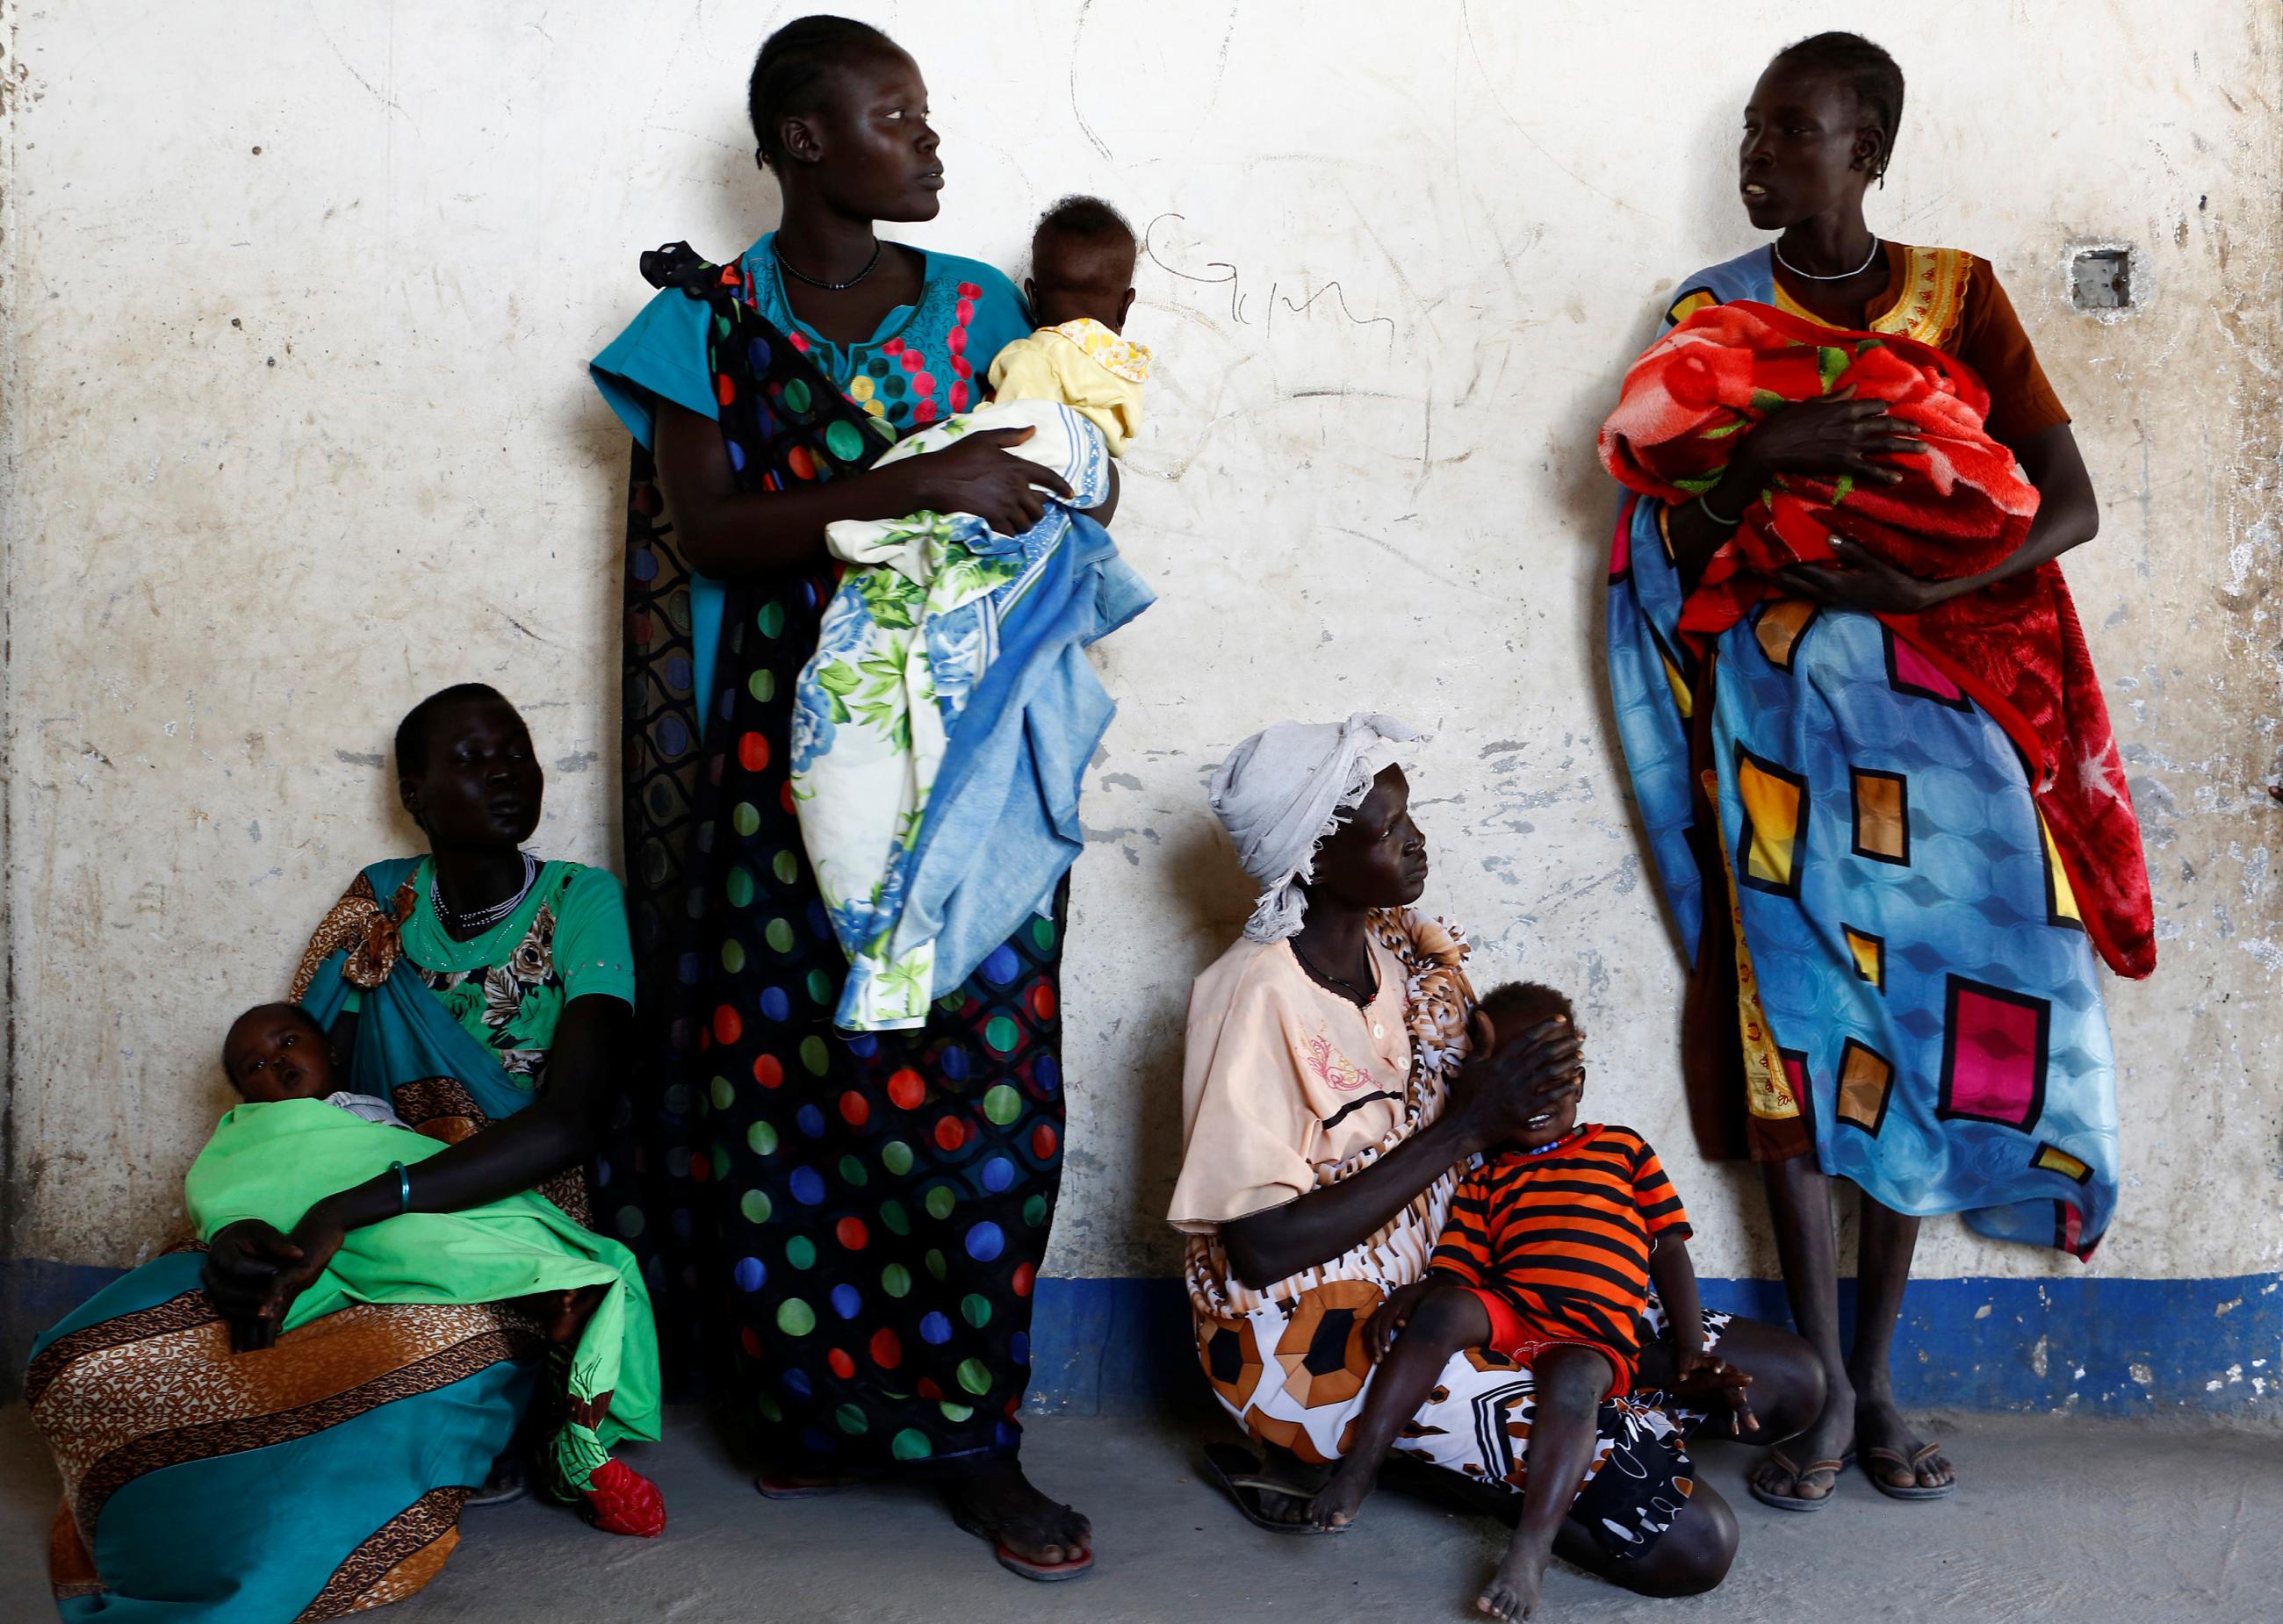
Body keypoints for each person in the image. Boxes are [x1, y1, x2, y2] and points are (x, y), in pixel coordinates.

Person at [1602, 32, 2142, 1512]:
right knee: (1797, 1041)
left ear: (1869, 151)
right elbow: (1672, 541)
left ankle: (1883, 1377)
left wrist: (1925, 597)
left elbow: (2069, 506)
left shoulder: (1958, 297)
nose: (1758, 157)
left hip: (1941, 733)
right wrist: (1766, 445)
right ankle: (1828, 1393)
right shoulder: (1708, 317)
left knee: (1914, 1032)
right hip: (1776, 734)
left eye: (1791, 133)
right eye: (1754, 135)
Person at [588, 13, 1096, 1579]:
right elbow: (716, 529)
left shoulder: (982, 307)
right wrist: (905, 487)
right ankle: (808, 1407)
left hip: (963, 762)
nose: (929, 141)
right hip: (772, 771)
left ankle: (974, 1436)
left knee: (979, 1098)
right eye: (898, 114)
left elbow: (1058, 471)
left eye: (924, 114)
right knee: (786, 1085)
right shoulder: (706, 323)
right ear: (806, 143)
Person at [26, 683, 653, 1618]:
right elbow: (287, 1093)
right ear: (416, 793)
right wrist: (241, 1225)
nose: (503, 772)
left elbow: (571, 1122)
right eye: (470, 759)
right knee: (82, 1360)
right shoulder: (377, 904)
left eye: (514, 749)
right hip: (338, 1224)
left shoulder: (581, 899)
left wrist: (350, 1208)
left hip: (500, 1243)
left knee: (371, 1402)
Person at [1171, 713, 1825, 1600]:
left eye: (1410, 816)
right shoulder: (1248, 996)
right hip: (1320, 1332)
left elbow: (1498, 1093)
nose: (1416, 840)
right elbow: (1255, 1248)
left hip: (1482, 1272)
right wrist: (1466, 1130)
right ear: (1314, 858)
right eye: (1389, 829)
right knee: (1690, 1545)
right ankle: (1418, 1453)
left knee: (1789, 1383)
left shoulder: (1396, 945)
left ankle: (1529, 1432)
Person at [791, 192, 1153, 1032]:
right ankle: (918, 949)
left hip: (1024, 468)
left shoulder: (1027, 351)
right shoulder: (1130, 365)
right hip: (1064, 477)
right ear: (1127, 303)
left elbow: (1007, 435)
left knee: (866, 704)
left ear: (1029, 292)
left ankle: (889, 949)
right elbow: (1097, 478)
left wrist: (928, 473)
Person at [1307, 981, 1751, 1620]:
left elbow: (1669, 1250)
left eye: (1555, 1078)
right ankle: (1359, 1467)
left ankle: (1530, 1549)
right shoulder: (1486, 1178)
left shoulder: (1622, 1149)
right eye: (1521, 1079)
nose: (1539, 1098)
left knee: (1574, 1382)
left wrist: (1687, 1347)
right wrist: (1417, 1293)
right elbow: (1460, 1267)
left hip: (1592, 1340)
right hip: (1515, 1316)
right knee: (1445, 1313)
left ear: (1581, 1079)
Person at [208, 998, 662, 1515]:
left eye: (288, 1042)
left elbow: (415, 1168)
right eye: (256, 1067)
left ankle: (555, 1281)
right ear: (245, 1097)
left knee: (494, 1225)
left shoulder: (372, 1108)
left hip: (394, 1196)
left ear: (331, 1050)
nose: (279, 1062)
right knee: (408, 1242)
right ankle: (541, 1296)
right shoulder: (249, 1133)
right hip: (360, 1221)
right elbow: (223, 1182)